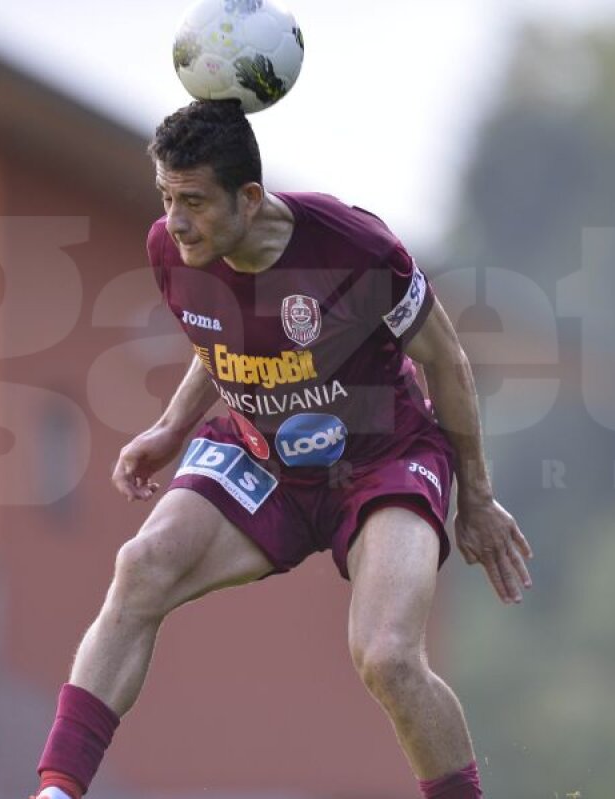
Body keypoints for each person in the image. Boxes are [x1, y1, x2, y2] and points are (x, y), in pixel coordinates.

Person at [31, 100, 532, 799]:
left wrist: (475, 497)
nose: (176, 222)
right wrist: (173, 428)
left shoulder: (354, 249)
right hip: (260, 454)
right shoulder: (170, 250)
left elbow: (447, 362)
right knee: (141, 565)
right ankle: (57, 791)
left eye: (195, 202)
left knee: (387, 656)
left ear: (250, 197)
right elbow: (223, 339)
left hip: (381, 456)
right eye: (167, 198)